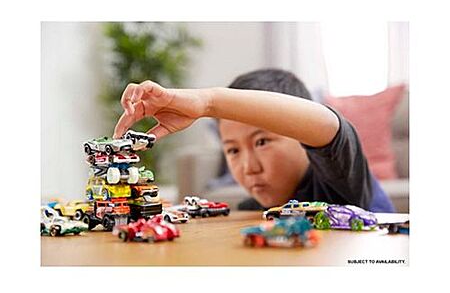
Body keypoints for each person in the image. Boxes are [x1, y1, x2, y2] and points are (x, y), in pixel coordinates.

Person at [113, 68, 395, 212]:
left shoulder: (341, 179)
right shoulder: (255, 209)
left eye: (261, 142)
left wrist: (209, 103)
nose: (249, 168)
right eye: (233, 150)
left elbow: (327, 126)